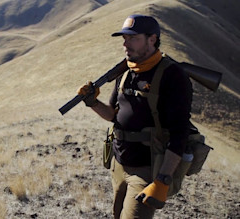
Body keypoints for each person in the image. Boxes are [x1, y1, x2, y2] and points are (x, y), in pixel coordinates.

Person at [77, 14, 192, 218]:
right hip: (119, 164)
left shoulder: (173, 75)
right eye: (124, 38)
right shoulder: (126, 71)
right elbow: (113, 115)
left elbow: (179, 134)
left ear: (152, 39)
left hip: (147, 169)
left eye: (133, 38)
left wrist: (162, 180)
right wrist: (92, 102)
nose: (125, 43)